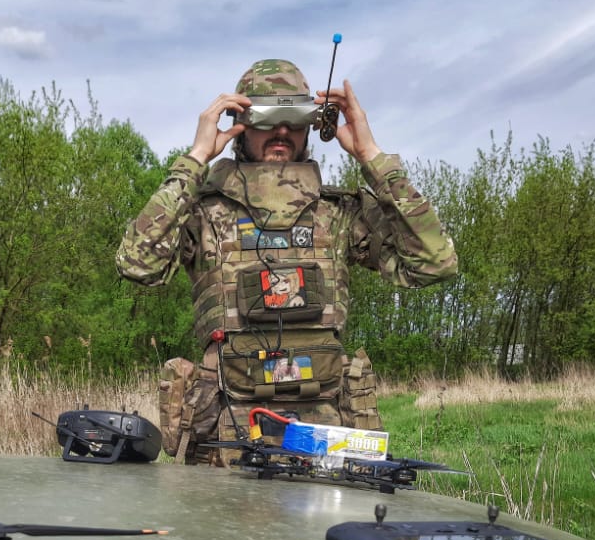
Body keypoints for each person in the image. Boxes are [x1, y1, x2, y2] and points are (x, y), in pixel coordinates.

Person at [117, 58, 457, 464]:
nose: (281, 131)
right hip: (222, 441)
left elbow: (435, 262)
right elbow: (138, 263)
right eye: (266, 118)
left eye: (294, 118)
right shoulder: (205, 212)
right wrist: (194, 159)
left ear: (314, 123)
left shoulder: (337, 213)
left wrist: (371, 157)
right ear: (238, 122)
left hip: (328, 439)